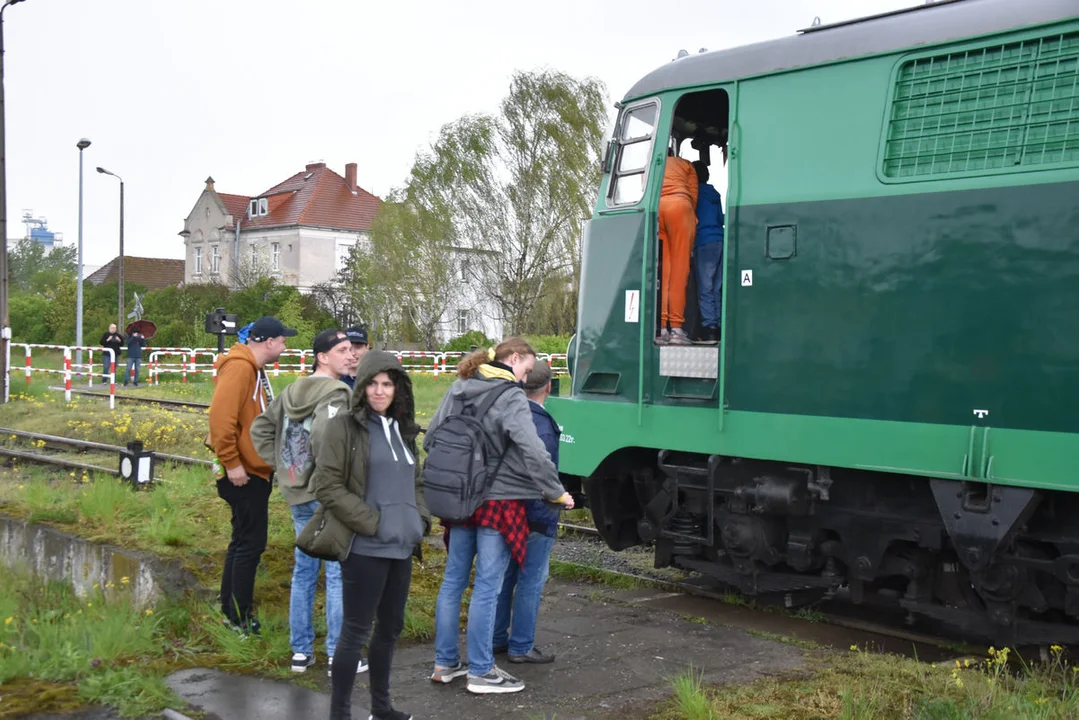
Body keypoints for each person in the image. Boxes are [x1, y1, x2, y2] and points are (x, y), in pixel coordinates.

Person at [428, 338, 574, 695]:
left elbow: (432, 436)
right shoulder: (509, 395)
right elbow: (533, 451)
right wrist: (556, 491)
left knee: (453, 581)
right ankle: (481, 671)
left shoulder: (461, 385)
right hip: (499, 501)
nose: (527, 376)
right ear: (514, 358)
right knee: (488, 586)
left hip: (460, 499)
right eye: (526, 367)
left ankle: (445, 663)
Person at [301, 350, 430, 720]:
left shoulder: (403, 430)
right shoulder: (344, 427)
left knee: (390, 629)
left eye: (387, 384)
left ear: (398, 388)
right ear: (361, 387)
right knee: (355, 631)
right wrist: (371, 522)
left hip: (401, 547)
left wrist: (419, 520)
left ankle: (381, 707)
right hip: (365, 546)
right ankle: (339, 714)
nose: (379, 391)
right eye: (372, 383)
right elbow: (326, 486)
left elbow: (415, 482)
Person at [251, 329, 368, 676]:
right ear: (322, 357)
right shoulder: (337, 392)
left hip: (296, 491)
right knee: (336, 572)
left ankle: (300, 652)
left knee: (304, 571)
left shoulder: (291, 390)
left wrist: (285, 468)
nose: (352, 356)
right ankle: (338, 654)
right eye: (343, 350)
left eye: (353, 350)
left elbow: (260, 428)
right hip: (325, 494)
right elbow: (324, 437)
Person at [208, 315, 295, 634]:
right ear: (269, 342)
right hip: (243, 472)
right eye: (283, 340)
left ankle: (230, 611)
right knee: (250, 544)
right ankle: (238, 618)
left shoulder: (250, 368)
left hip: (253, 468)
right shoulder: (241, 367)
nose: (286, 345)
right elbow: (220, 418)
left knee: (243, 541)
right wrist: (232, 464)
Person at [492, 359, 561, 664]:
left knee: (506, 576)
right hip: (536, 514)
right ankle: (521, 645)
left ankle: (495, 638)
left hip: (510, 510)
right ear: (549, 386)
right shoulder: (544, 425)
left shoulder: (511, 415)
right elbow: (541, 474)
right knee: (531, 580)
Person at [657, 149, 698, 346]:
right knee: (680, 271)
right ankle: (677, 329)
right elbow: (693, 194)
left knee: (665, 271)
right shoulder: (685, 164)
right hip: (680, 206)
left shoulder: (653, 165)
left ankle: (662, 328)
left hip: (658, 209)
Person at [692, 161, 724, 344]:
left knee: (705, 288)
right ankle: (719, 326)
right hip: (720, 239)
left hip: (704, 241)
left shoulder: (695, 193)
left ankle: (709, 328)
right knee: (716, 288)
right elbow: (720, 218)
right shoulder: (715, 194)